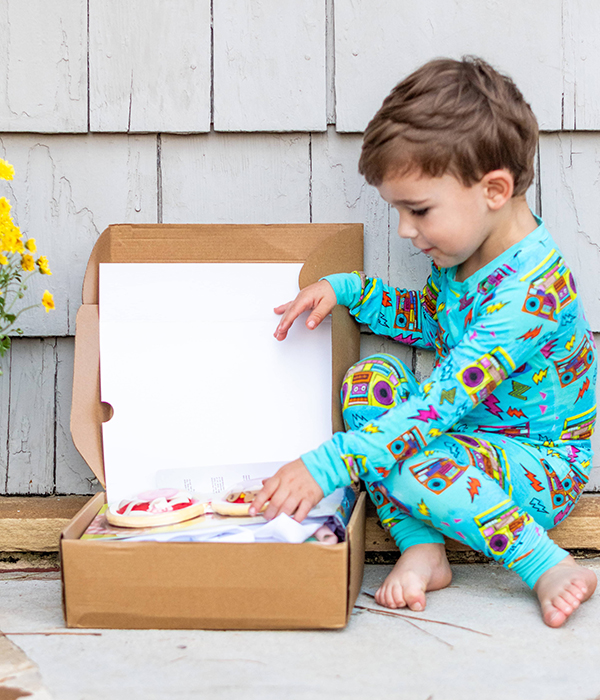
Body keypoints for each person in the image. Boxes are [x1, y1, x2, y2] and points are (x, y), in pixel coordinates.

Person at [249, 56, 598, 628]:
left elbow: (442, 401)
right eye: (399, 211)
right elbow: (435, 324)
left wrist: (326, 465)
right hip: (461, 441)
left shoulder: (531, 294)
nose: (406, 230)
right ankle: (423, 545)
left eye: (418, 210)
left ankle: (542, 562)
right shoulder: (466, 263)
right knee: (371, 382)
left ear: (493, 189)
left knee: (401, 450)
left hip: (537, 467)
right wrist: (347, 291)